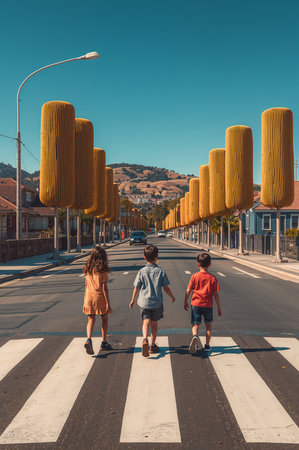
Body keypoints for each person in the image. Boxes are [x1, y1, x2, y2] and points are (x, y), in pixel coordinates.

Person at [129, 245, 175, 357]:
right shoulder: (161, 271)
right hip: (156, 303)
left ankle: (145, 339)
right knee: (154, 324)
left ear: (144, 258)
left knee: (145, 321)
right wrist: (172, 296)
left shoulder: (141, 271)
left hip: (143, 302)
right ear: (157, 257)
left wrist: (132, 299)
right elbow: (166, 287)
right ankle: (152, 346)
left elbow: (136, 287)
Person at [184, 252, 222, 354]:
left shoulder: (194, 276)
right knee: (208, 325)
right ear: (210, 264)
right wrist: (219, 308)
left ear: (198, 264)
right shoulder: (213, 278)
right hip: (208, 305)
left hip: (195, 304)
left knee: (195, 324)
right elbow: (216, 294)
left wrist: (185, 302)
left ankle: (195, 337)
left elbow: (188, 291)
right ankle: (207, 346)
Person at [83, 246, 113, 354]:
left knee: (90, 320)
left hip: (88, 297)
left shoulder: (87, 268)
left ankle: (89, 339)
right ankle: (104, 342)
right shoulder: (102, 270)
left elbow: (86, 284)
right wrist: (108, 303)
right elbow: (104, 288)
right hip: (99, 297)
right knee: (104, 319)